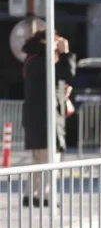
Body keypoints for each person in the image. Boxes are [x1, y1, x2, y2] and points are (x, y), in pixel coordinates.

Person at [21, 29, 75, 207]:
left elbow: (55, 81)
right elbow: (67, 73)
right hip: (45, 119)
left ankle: (32, 195)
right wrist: (66, 53)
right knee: (51, 159)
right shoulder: (42, 62)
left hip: (39, 118)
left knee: (39, 160)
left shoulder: (33, 60)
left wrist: (63, 93)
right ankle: (46, 196)